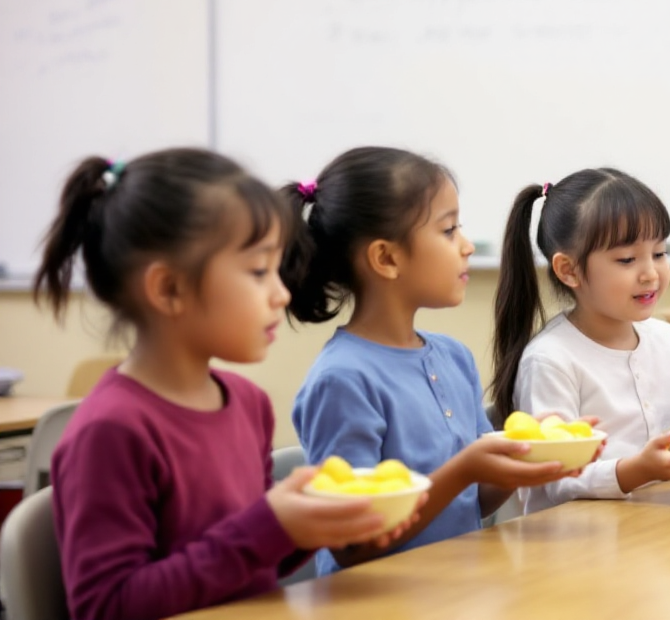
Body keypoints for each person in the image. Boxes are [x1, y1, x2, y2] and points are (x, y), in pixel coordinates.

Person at [35, 150, 406, 620]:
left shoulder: (248, 403)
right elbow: (108, 606)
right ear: (168, 289)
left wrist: (308, 527)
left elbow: (246, 563)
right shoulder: (111, 430)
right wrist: (270, 526)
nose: (282, 293)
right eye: (257, 272)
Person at [283, 147, 576, 574]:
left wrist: (524, 462)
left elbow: (474, 499)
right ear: (386, 258)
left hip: (457, 588)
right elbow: (351, 544)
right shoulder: (342, 380)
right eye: (448, 230)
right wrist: (462, 471)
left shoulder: (452, 357)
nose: (468, 245)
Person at [491, 168, 670, 514]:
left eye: (659, 253)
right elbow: (557, 478)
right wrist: (638, 470)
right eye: (627, 259)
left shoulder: (667, 339)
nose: (650, 273)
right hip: (572, 546)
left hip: (656, 532)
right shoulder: (551, 360)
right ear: (568, 270)